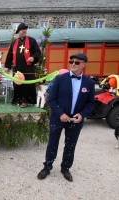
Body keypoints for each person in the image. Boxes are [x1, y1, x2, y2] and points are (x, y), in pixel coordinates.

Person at [37, 53, 95, 182]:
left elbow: (91, 103)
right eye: (72, 62)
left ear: (84, 65)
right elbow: (51, 99)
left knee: (70, 144)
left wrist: (82, 114)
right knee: (52, 143)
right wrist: (61, 114)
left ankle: (65, 168)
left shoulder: (89, 83)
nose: (73, 64)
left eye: (77, 62)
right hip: (58, 118)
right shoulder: (60, 79)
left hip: (76, 120)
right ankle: (47, 167)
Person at [4, 23, 41, 108]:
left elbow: (37, 52)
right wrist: (7, 66)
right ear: (18, 32)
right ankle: (18, 100)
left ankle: (25, 101)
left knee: (27, 85)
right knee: (18, 85)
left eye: (25, 29)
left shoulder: (32, 41)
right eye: (22, 29)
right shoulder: (14, 43)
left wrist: (33, 57)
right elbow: (9, 55)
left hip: (28, 68)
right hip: (17, 68)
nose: (24, 30)